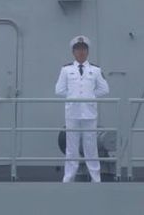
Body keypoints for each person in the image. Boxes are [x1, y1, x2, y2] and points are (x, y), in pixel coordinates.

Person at [54, 35, 110, 182]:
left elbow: (104, 89)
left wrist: (90, 96)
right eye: (78, 49)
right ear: (73, 52)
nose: (81, 52)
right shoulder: (66, 70)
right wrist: (73, 97)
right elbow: (59, 90)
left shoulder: (95, 70)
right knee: (71, 147)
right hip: (72, 113)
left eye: (84, 49)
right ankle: (69, 177)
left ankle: (95, 178)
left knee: (91, 147)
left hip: (89, 113)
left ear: (88, 51)